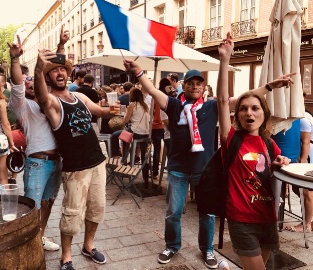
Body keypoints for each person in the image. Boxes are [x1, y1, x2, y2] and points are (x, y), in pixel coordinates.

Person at [122, 43, 294, 268]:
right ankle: (172, 245)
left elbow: (246, 99)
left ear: (203, 87)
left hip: (205, 169)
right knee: (173, 212)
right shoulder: (174, 105)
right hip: (178, 167)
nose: (195, 87)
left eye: (198, 83)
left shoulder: (212, 107)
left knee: (207, 213)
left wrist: (270, 86)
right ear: (184, 86)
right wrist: (138, 72)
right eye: (191, 83)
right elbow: (153, 91)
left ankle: (208, 249)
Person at [34, 49, 117, 270]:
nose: (60, 73)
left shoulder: (78, 96)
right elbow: (41, 96)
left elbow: (100, 111)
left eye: (63, 69)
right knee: (72, 214)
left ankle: (88, 246)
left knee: (97, 208)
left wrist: (115, 111)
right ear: (48, 77)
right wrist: (38, 68)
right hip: (76, 168)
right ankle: (66, 257)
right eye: (54, 71)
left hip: (97, 161)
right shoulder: (51, 102)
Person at [217, 32, 292, 270]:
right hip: (242, 219)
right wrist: (225, 59)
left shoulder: (269, 144)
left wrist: (282, 161)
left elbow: (278, 163)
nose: (249, 113)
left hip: (268, 218)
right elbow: (221, 100)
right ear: (237, 115)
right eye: (244, 109)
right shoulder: (231, 139)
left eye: (255, 108)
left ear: (264, 114)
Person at [7, 33, 63, 251]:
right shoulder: (22, 107)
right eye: (28, 82)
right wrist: (15, 59)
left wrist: (61, 46)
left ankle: (40, 236)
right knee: (33, 207)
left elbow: (53, 73)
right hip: (37, 163)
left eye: (33, 81)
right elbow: (18, 85)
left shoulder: (52, 103)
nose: (30, 83)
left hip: (56, 162)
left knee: (48, 203)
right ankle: (27, 245)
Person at [285, 91, 313, 233]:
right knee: (299, 189)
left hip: (306, 157)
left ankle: (306, 225)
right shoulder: (298, 116)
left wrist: (302, 163)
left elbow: (306, 143)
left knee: (305, 191)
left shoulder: (303, 118)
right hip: (302, 156)